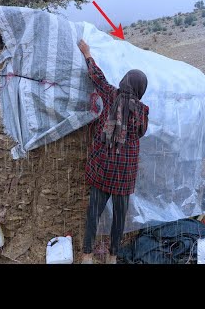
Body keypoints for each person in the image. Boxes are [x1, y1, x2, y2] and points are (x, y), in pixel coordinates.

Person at [77, 39, 149, 264]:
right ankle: (112, 256)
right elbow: (141, 133)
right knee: (119, 219)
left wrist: (87, 53)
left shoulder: (111, 95)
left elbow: (96, 77)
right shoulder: (143, 109)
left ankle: (87, 255)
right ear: (140, 89)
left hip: (104, 167)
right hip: (125, 174)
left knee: (93, 214)